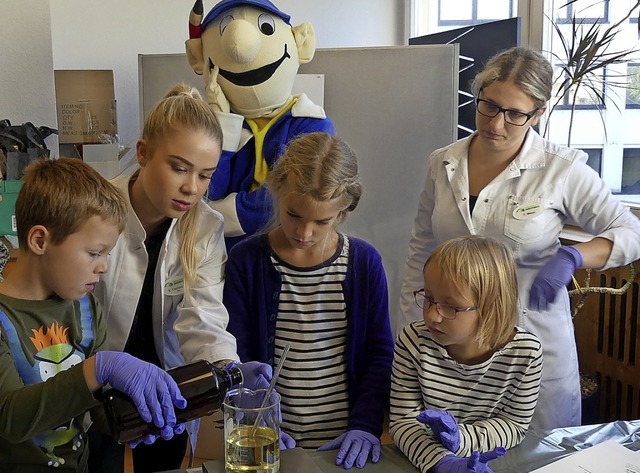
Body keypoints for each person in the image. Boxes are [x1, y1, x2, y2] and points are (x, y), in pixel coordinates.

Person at [397, 46, 640, 430]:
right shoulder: (443, 162)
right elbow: (422, 249)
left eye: (515, 114)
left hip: (529, 339)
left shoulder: (559, 170)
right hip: (452, 347)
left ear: (539, 112)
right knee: (452, 445)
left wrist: (573, 257)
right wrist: (413, 325)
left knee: (536, 452)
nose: (496, 123)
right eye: (488, 106)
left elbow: (631, 230)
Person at [90, 84, 272, 473]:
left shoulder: (205, 226)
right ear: (142, 153)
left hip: (166, 389)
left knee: (165, 464)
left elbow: (202, 314)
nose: (192, 187)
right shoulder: (96, 210)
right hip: (95, 380)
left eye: (205, 175)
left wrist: (228, 370)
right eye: (179, 167)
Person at [0, 158, 187, 473]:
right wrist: (97, 369)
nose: (103, 266)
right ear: (40, 240)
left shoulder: (85, 309)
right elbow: (10, 418)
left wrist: (145, 417)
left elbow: (101, 412)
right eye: (93, 253)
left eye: (107, 254)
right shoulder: (5, 320)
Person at [224, 132, 395, 469]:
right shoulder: (247, 261)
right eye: (294, 215)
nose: (304, 233)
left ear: (344, 210)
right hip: (269, 437)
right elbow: (236, 350)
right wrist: (256, 419)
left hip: (342, 443)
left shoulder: (363, 263)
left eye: (322, 221)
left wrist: (364, 425)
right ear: (276, 191)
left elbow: (379, 353)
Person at [390, 235, 543, 473]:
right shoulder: (413, 341)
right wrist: (442, 462)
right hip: (425, 462)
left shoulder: (525, 354)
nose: (432, 316)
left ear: (491, 305)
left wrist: (461, 439)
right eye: (428, 299)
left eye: (451, 307)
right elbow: (403, 422)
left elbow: (514, 425)